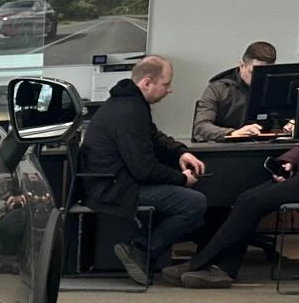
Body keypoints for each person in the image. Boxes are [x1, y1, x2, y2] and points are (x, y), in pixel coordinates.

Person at [175, 56, 299, 288]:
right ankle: (219, 268)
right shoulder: (220, 88)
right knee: (247, 199)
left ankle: (200, 265)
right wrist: (290, 160)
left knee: (251, 202)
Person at [80, 55, 208, 286]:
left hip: (114, 182)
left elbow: (154, 137)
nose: (169, 90)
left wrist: (180, 153)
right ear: (147, 83)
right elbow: (144, 170)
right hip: (113, 189)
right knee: (194, 203)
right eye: (166, 84)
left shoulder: (128, 103)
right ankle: (140, 248)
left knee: (184, 199)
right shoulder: (130, 111)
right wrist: (181, 179)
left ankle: (143, 249)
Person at [194, 41, 282, 141]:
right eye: (254, 72)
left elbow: (281, 120)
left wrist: (290, 124)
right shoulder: (218, 88)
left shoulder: (275, 88)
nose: (259, 79)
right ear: (241, 65)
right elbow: (201, 126)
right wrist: (232, 133)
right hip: (226, 146)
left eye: (265, 73)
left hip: (266, 145)